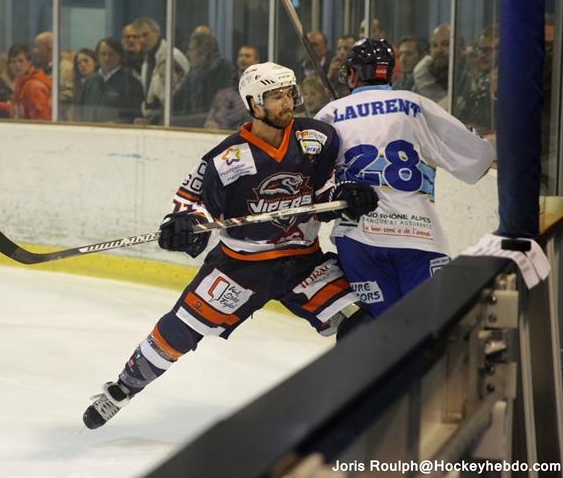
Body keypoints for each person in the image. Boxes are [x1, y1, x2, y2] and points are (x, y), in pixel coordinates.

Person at [83, 62, 379, 429]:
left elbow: (326, 192)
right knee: (179, 330)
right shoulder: (227, 159)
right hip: (241, 266)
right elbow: (191, 204)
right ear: (254, 104)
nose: (287, 102)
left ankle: (354, 405)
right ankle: (121, 390)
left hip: (303, 260)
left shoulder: (317, 138)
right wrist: (183, 226)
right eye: (276, 96)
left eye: (289, 93)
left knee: (360, 320)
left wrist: (346, 197)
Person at [314, 38, 495, 317]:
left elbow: (310, 179)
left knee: (383, 328)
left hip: (359, 239)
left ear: (352, 74)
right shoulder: (415, 104)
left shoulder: (330, 113)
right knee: (430, 327)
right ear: (390, 72)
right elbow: (478, 159)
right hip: (418, 237)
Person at [74, 38, 144, 124]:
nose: (106, 58)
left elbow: (136, 117)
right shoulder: (89, 82)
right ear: (97, 56)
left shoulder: (132, 83)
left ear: (120, 56)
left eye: (111, 54)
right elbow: (79, 112)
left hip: (116, 131)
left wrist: (117, 123)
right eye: (103, 54)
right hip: (88, 130)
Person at [172, 32, 235, 126]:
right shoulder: (194, 72)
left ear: (203, 54)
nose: (187, 54)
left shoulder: (225, 70)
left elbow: (222, 110)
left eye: (191, 50)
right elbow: (176, 102)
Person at [204, 44, 260, 130]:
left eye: (247, 56)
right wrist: (212, 123)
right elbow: (212, 119)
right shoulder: (223, 93)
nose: (243, 58)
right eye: (241, 55)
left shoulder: (261, 93)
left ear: (256, 61)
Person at [0, 43, 51, 120]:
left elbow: (41, 121)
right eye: (13, 62)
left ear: (29, 62)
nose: (17, 65)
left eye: (21, 61)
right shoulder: (20, 82)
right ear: (9, 65)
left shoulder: (33, 87)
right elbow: (17, 108)